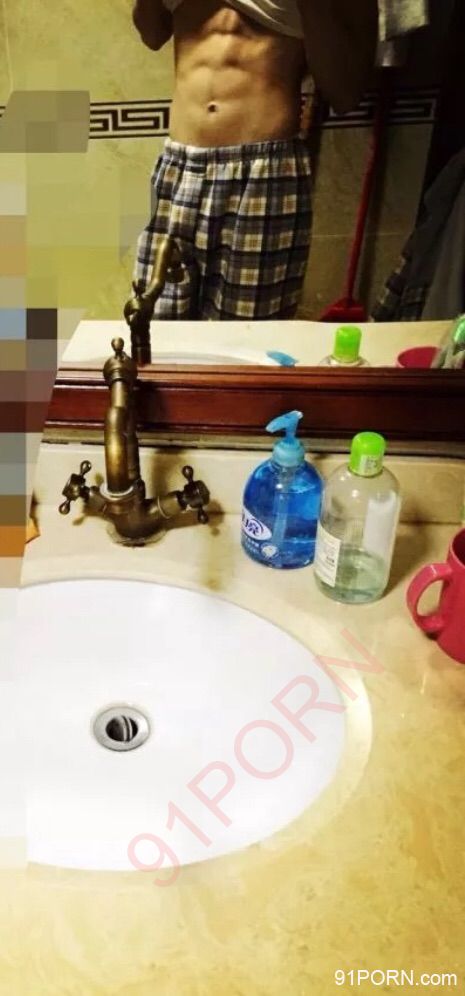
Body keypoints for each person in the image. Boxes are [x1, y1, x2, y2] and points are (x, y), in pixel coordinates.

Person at [132, 0, 377, 320]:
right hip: (178, 165)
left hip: (264, 174)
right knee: (151, 320)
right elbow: (151, 34)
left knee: (247, 331)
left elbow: (345, 94)